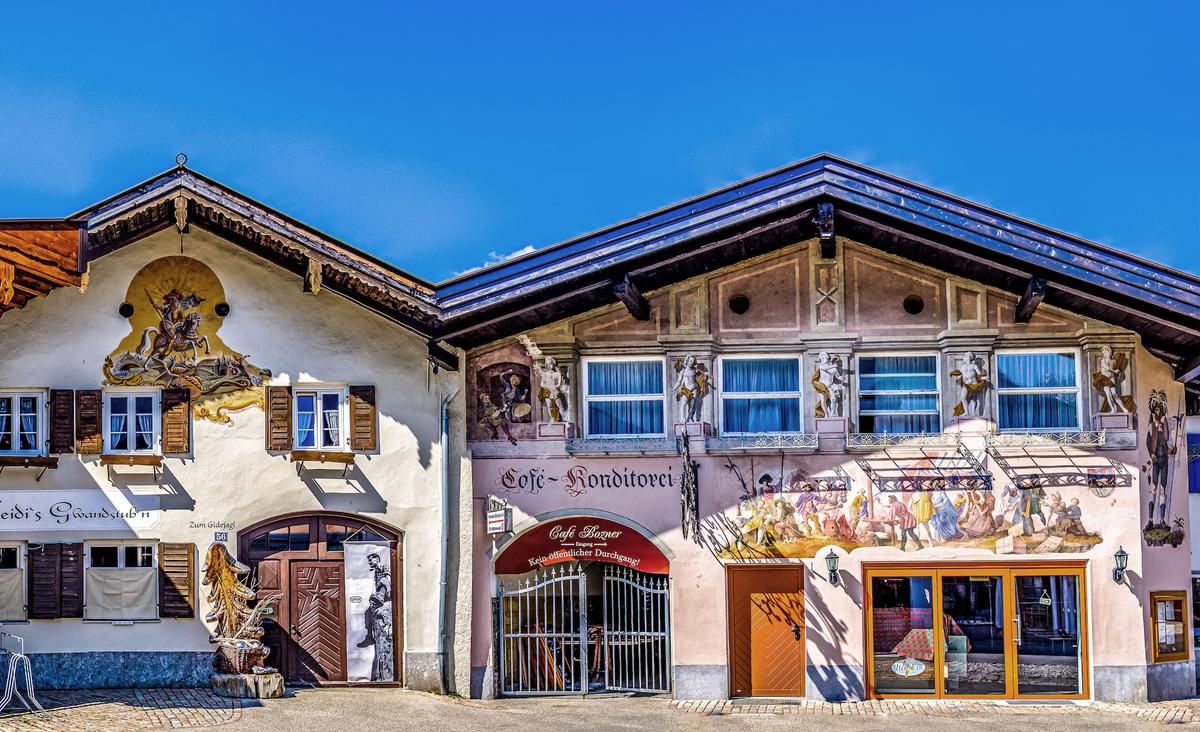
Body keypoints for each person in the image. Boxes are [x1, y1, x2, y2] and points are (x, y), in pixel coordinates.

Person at [356, 552, 394, 682]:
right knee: (368, 613)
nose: (370, 563)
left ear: (377, 559)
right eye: (369, 561)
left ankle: (379, 597)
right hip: (381, 594)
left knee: (383, 581)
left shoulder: (384, 567)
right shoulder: (375, 572)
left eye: (371, 561)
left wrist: (382, 594)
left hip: (388, 593)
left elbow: (388, 580)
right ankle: (369, 635)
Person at [1145, 390, 1176, 529]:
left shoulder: (1165, 428)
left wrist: (1171, 450)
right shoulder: (1151, 427)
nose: (1157, 413)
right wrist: (1152, 455)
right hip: (1156, 460)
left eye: (1159, 411)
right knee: (1154, 488)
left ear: (1162, 413)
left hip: (1165, 461)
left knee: (1163, 490)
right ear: (1154, 412)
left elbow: (1166, 443)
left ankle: (1162, 520)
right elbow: (1148, 443)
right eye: (1155, 411)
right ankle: (1151, 520)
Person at [1094, 346, 1129, 413]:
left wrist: (1118, 372)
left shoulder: (1113, 361)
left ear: (1111, 352)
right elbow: (1107, 368)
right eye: (1104, 351)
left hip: (1112, 379)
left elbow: (1117, 370)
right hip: (1104, 379)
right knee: (1108, 394)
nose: (1106, 353)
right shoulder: (1103, 361)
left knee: (1115, 393)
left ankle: (1123, 408)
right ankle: (1113, 408)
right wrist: (1115, 371)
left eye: (1107, 351)